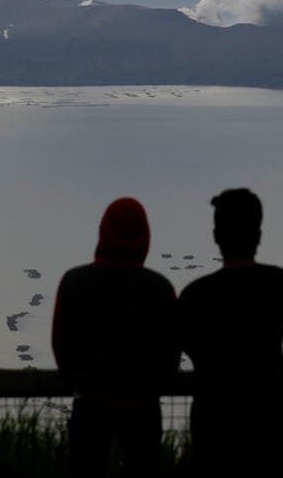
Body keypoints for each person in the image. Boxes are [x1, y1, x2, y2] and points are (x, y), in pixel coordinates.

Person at [178, 188, 283, 478]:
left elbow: (178, 348)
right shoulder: (282, 284)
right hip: (269, 423)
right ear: (258, 234)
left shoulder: (194, 295)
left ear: (216, 235)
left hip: (213, 424)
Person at [52, 197, 179, 478]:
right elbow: (171, 352)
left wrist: (75, 379)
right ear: (145, 235)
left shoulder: (73, 281)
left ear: (103, 231)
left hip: (89, 405)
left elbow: (61, 344)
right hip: (143, 407)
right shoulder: (160, 288)